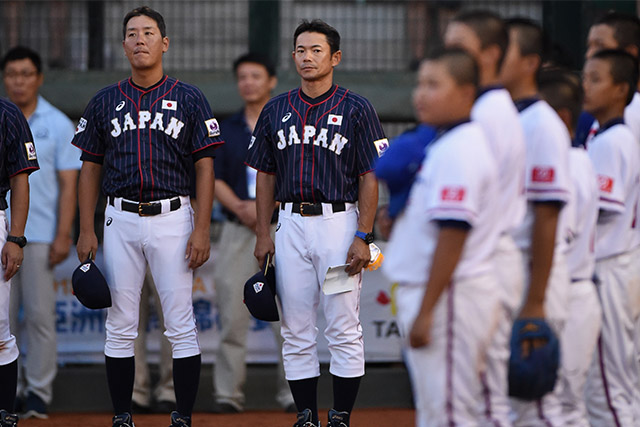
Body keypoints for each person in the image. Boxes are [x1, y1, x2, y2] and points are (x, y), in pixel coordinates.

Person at [71, 6, 223, 427]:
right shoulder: (104, 100)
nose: (140, 39)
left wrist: (203, 228)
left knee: (180, 322)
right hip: (119, 217)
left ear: (164, 43)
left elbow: (205, 166)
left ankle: (183, 416)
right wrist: (87, 228)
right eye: (132, 33)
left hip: (174, 216)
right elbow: (89, 167)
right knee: (120, 322)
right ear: (123, 45)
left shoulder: (189, 97)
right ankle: (123, 415)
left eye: (148, 33)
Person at [246, 19, 387, 427]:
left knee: (342, 324)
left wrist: (363, 234)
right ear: (293, 57)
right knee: (296, 326)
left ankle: (340, 416)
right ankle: (306, 415)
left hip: (337, 227)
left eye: (316, 50)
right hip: (289, 226)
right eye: (301, 50)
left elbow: (369, 175)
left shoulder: (356, 108)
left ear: (335, 57)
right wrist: (262, 232)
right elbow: (265, 173)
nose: (307, 57)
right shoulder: (276, 108)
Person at [383, 47, 501, 427]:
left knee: (448, 415)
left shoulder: (460, 148)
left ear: (467, 93)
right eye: (420, 84)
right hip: (446, 293)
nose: (421, 94)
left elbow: (454, 234)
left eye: (434, 85)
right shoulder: (447, 142)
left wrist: (428, 310)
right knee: (448, 410)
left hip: (450, 297)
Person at [443, 10, 527, 425]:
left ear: (491, 54)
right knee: (486, 396)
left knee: (471, 397)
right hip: (489, 256)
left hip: (481, 258)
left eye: (460, 47)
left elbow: (466, 209)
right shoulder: (492, 107)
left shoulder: (488, 113)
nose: (448, 55)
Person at [499, 18, 573, 425]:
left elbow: (547, 215)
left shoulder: (542, 122)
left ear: (529, 62)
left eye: (502, 50)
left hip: (536, 272)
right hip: (510, 269)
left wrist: (536, 301)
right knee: (510, 405)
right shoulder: (505, 116)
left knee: (537, 406)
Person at [212, 52, 294, 414]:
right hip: (236, 227)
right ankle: (228, 395)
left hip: (282, 225)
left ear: (272, 81)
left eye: (256, 76)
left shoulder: (288, 124)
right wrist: (242, 208)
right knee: (232, 315)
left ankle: (294, 394)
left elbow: (297, 173)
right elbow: (210, 177)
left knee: (291, 316)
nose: (249, 82)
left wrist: (267, 207)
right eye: (242, 76)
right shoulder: (225, 128)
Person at [1, 45, 80, 420]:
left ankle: (38, 393)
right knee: (3, 320)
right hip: (1, 233)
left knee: (39, 316)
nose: (19, 81)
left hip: (40, 235)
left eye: (26, 74)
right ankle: (8, 393)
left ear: (39, 78)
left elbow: (70, 185)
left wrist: (64, 233)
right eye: (12, 74)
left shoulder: (59, 123)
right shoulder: (2, 118)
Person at [538, 67, 602, 426]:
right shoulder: (576, 158)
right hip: (568, 290)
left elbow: (557, 235)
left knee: (562, 405)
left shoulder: (571, 162)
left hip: (569, 292)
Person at [582, 49, 640, 427]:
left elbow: (599, 209)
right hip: (619, 264)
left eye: (596, 79)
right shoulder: (612, 136)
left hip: (608, 267)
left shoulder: (612, 141)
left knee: (607, 394)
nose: (586, 86)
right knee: (616, 387)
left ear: (621, 89)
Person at [0, 97, 40, 426]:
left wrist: (15, 237)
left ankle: (4, 412)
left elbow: (20, 178)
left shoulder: (6, 112)